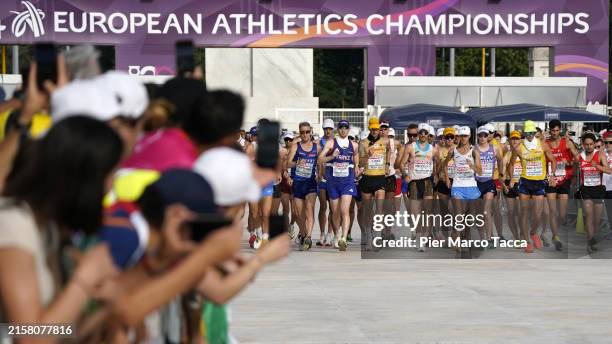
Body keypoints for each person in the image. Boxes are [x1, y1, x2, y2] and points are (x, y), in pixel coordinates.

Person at [0, 116, 123, 332]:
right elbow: (29, 336)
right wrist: (86, 277)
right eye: (108, 175)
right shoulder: (14, 225)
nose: (110, 187)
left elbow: (61, 331)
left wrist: (107, 307)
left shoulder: (46, 228)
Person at [507, 120, 558, 253]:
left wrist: (552, 175)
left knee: (538, 214)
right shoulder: (518, 147)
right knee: (523, 212)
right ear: (524, 133)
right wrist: (512, 177)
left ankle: (533, 232)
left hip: (539, 182)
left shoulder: (542, 145)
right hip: (525, 182)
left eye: (532, 133)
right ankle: (526, 241)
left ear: (535, 133)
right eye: (527, 133)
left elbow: (552, 160)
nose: (529, 135)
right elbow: (511, 164)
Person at [319, 119, 359, 251]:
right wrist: (332, 157)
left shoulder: (353, 145)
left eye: (345, 128)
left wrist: (357, 169)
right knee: (335, 212)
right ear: (338, 129)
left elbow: (356, 158)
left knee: (344, 210)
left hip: (347, 182)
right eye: (341, 128)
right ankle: (336, 234)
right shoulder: (331, 143)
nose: (343, 130)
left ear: (348, 130)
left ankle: (343, 238)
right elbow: (320, 159)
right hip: (333, 182)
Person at [442, 126, 482, 258]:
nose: (463, 138)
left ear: (469, 136)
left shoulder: (474, 152)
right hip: (458, 186)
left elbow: (480, 171)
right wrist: (447, 178)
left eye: (465, 136)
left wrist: (473, 167)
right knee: (459, 214)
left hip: (471, 187)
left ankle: (465, 240)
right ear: (458, 137)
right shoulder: (454, 151)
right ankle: (457, 236)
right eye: (461, 136)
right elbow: (444, 165)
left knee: (469, 218)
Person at [399, 123, 439, 252]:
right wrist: (405, 174)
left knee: (427, 213)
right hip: (414, 183)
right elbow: (402, 163)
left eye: (425, 133)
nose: (422, 135)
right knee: (416, 214)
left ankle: (423, 240)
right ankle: (419, 236)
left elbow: (438, 163)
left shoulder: (433, 149)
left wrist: (436, 174)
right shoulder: (411, 147)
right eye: (420, 132)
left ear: (428, 135)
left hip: (427, 182)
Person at [544, 119, 578, 250]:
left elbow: (578, 159)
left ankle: (555, 231)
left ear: (560, 130)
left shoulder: (567, 142)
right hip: (550, 180)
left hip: (564, 179)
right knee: (553, 211)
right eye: (553, 130)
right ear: (550, 130)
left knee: (562, 214)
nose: (555, 133)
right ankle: (556, 236)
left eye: (557, 130)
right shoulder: (545, 144)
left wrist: (568, 163)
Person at [359, 117, 392, 250]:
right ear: (369, 128)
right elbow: (360, 162)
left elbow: (389, 150)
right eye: (372, 129)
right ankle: (368, 236)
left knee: (379, 210)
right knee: (367, 211)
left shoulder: (385, 141)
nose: (374, 131)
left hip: (379, 178)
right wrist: (367, 155)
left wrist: (387, 164)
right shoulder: (363, 143)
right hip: (367, 178)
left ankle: (376, 237)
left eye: (376, 129)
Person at [576, 133, 612, 254]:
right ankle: (590, 241)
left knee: (596, 219)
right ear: (583, 145)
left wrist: (597, 166)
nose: (589, 147)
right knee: (589, 216)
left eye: (591, 144)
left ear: (594, 144)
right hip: (585, 189)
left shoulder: (600, 155)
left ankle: (592, 237)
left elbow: (609, 170)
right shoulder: (579, 156)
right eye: (587, 144)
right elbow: (571, 166)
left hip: (598, 189)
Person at [287, 122, 320, 250]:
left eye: (307, 132)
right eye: (302, 132)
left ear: (310, 132)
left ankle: (309, 237)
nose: (305, 134)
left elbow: (320, 163)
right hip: (298, 183)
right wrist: (297, 163)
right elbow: (288, 164)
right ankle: (304, 232)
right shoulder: (296, 146)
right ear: (299, 133)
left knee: (309, 210)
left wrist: (320, 175)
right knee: (299, 214)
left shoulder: (316, 147)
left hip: (310, 183)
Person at [475, 126, 504, 244]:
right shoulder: (474, 149)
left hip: (489, 183)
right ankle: (483, 238)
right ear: (477, 137)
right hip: (476, 183)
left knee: (486, 211)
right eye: (480, 136)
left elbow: (501, 160)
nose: (482, 138)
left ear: (488, 137)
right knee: (478, 213)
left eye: (485, 135)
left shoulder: (494, 149)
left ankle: (489, 237)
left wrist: (501, 173)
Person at [316, 118, 335, 247]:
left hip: (334, 177)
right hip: (322, 178)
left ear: (333, 129)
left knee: (333, 208)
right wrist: (319, 174)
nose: (328, 131)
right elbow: (318, 161)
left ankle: (329, 234)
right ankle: (322, 234)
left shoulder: (336, 142)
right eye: (325, 129)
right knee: (323, 206)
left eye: (330, 129)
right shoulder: (319, 143)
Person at [502, 131, 523, 241]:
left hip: (521, 183)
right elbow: (502, 172)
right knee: (511, 213)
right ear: (509, 140)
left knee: (520, 212)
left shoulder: (524, 152)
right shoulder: (507, 154)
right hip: (510, 184)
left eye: (517, 139)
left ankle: (522, 235)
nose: (514, 141)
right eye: (512, 139)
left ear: (520, 140)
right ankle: (516, 237)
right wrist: (503, 185)